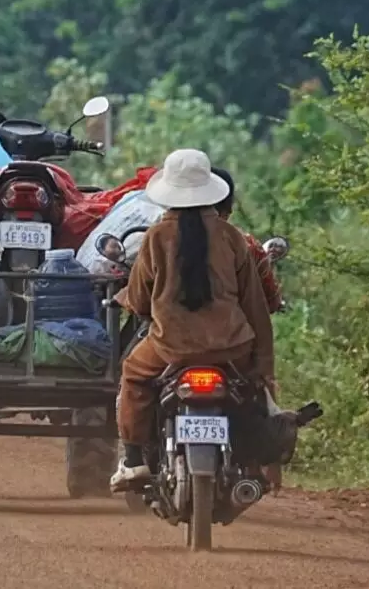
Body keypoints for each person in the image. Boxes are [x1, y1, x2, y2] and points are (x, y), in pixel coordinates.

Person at [110, 148, 275, 491]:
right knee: (253, 392)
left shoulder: (156, 236)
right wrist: (262, 364)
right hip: (232, 348)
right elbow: (255, 307)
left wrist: (136, 303)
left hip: (172, 348)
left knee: (134, 375)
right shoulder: (232, 237)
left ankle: (135, 461)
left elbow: (139, 299)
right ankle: (255, 463)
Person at [211, 168, 285, 314]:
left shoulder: (160, 242)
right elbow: (270, 301)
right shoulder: (247, 246)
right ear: (229, 207)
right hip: (229, 334)